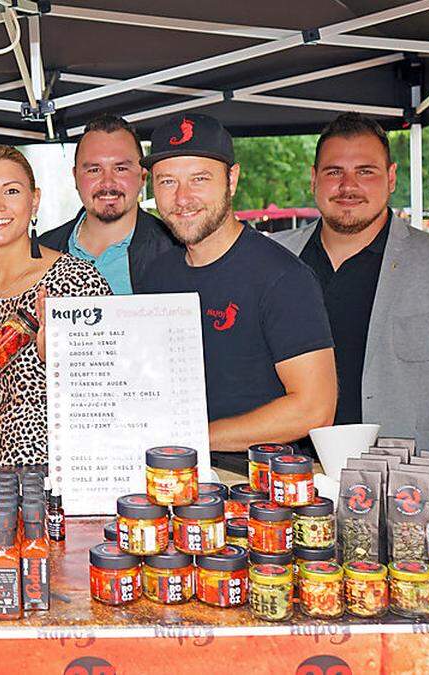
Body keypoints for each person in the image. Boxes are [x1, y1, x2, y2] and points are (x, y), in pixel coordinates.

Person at [271, 113, 429, 452]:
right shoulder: (275, 258)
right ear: (314, 178)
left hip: (405, 479)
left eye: (365, 172)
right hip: (289, 472)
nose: (348, 186)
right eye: (334, 172)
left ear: (390, 178)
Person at [134, 114, 337, 466]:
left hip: (256, 493)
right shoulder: (156, 275)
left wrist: (194, 437)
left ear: (232, 179)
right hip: (169, 478)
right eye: (167, 181)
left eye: (199, 179)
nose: (182, 198)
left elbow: (314, 409)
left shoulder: (283, 278)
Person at [0, 145, 111, 468]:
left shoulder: (75, 282)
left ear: (34, 200)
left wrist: (58, 364)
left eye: (12, 191)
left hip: (56, 481)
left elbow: (107, 398)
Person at [40, 114, 180, 295]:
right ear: (75, 177)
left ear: (143, 176)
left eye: (120, 169)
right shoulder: (41, 250)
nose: (107, 183)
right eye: (94, 170)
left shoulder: (176, 251)